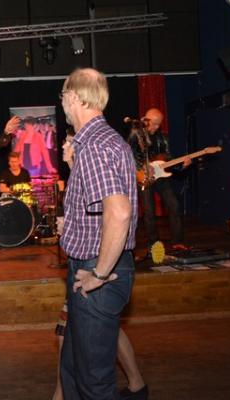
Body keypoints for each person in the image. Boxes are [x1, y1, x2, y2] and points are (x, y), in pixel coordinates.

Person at [59, 68, 138, 399]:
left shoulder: (92, 145)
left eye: (63, 95)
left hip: (97, 270)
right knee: (75, 368)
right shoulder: (105, 141)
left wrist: (100, 274)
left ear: (75, 97)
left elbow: (119, 212)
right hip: (92, 265)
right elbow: (98, 206)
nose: (62, 102)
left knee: (93, 381)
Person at [51, 132, 147, 400]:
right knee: (88, 340)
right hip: (86, 265)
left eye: (69, 141)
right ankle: (137, 385)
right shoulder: (78, 172)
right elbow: (90, 219)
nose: (64, 146)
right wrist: (69, 226)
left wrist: (100, 273)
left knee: (90, 354)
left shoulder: (94, 158)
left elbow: (116, 215)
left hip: (95, 265)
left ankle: (136, 385)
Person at [127, 108, 190, 253]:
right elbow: (129, 155)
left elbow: (168, 158)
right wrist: (142, 166)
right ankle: (153, 244)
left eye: (159, 124)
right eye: (154, 123)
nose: (156, 127)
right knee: (149, 212)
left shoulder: (163, 137)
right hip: (144, 177)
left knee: (174, 205)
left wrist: (182, 165)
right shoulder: (135, 135)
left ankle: (177, 242)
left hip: (161, 176)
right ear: (145, 120)